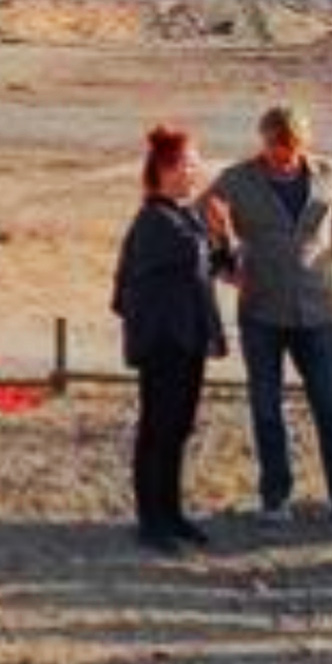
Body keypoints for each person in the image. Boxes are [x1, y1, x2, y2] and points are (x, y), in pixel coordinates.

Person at [208, 104, 332, 523]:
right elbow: (201, 219)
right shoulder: (237, 180)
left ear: (304, 142)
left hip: (317, 311)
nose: (283, 155)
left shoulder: (327, 174)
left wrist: (328, 255)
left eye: (291, 146)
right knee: (267, 409)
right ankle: (275, 500)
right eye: (276, 146)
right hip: (261, 311)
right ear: (263, 141)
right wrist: (224, 263)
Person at [111, 124, 237, 553]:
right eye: (189, 163)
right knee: (158, 430)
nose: (196, 170)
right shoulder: (155, 221)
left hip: (186, 340)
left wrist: (221, 234)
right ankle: (152, 520)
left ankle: (172, 512)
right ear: (166, 169)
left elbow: (219, 263)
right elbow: (196, 255)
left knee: (177, 429)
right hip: (165, 343)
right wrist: (218, 232)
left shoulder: (182, 214)